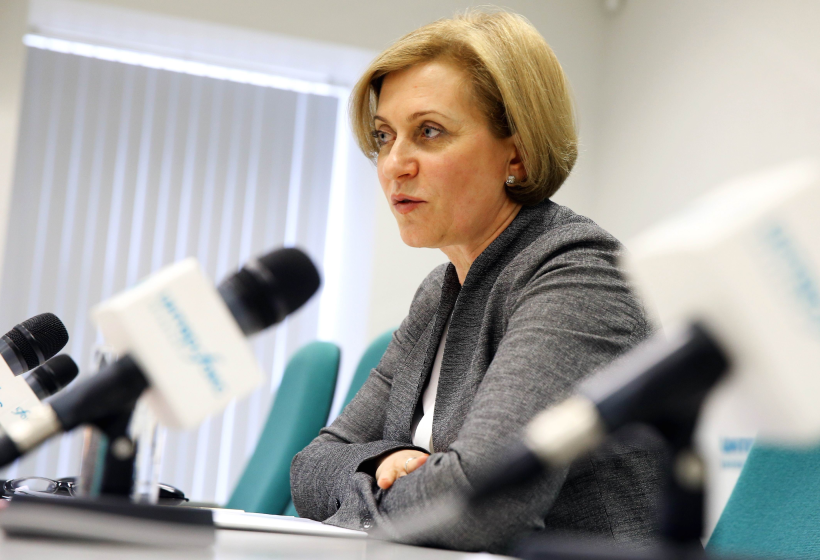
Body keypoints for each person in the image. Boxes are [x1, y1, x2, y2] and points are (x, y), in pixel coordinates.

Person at [291, 9, 665, 553]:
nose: (394, 164)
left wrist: (367, 495)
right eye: (384, 136)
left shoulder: (580, 275)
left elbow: (483, 503)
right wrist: (384, 464)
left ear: (518, 153)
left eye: (429, 132)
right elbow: (310, 469)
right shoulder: (439, 293)